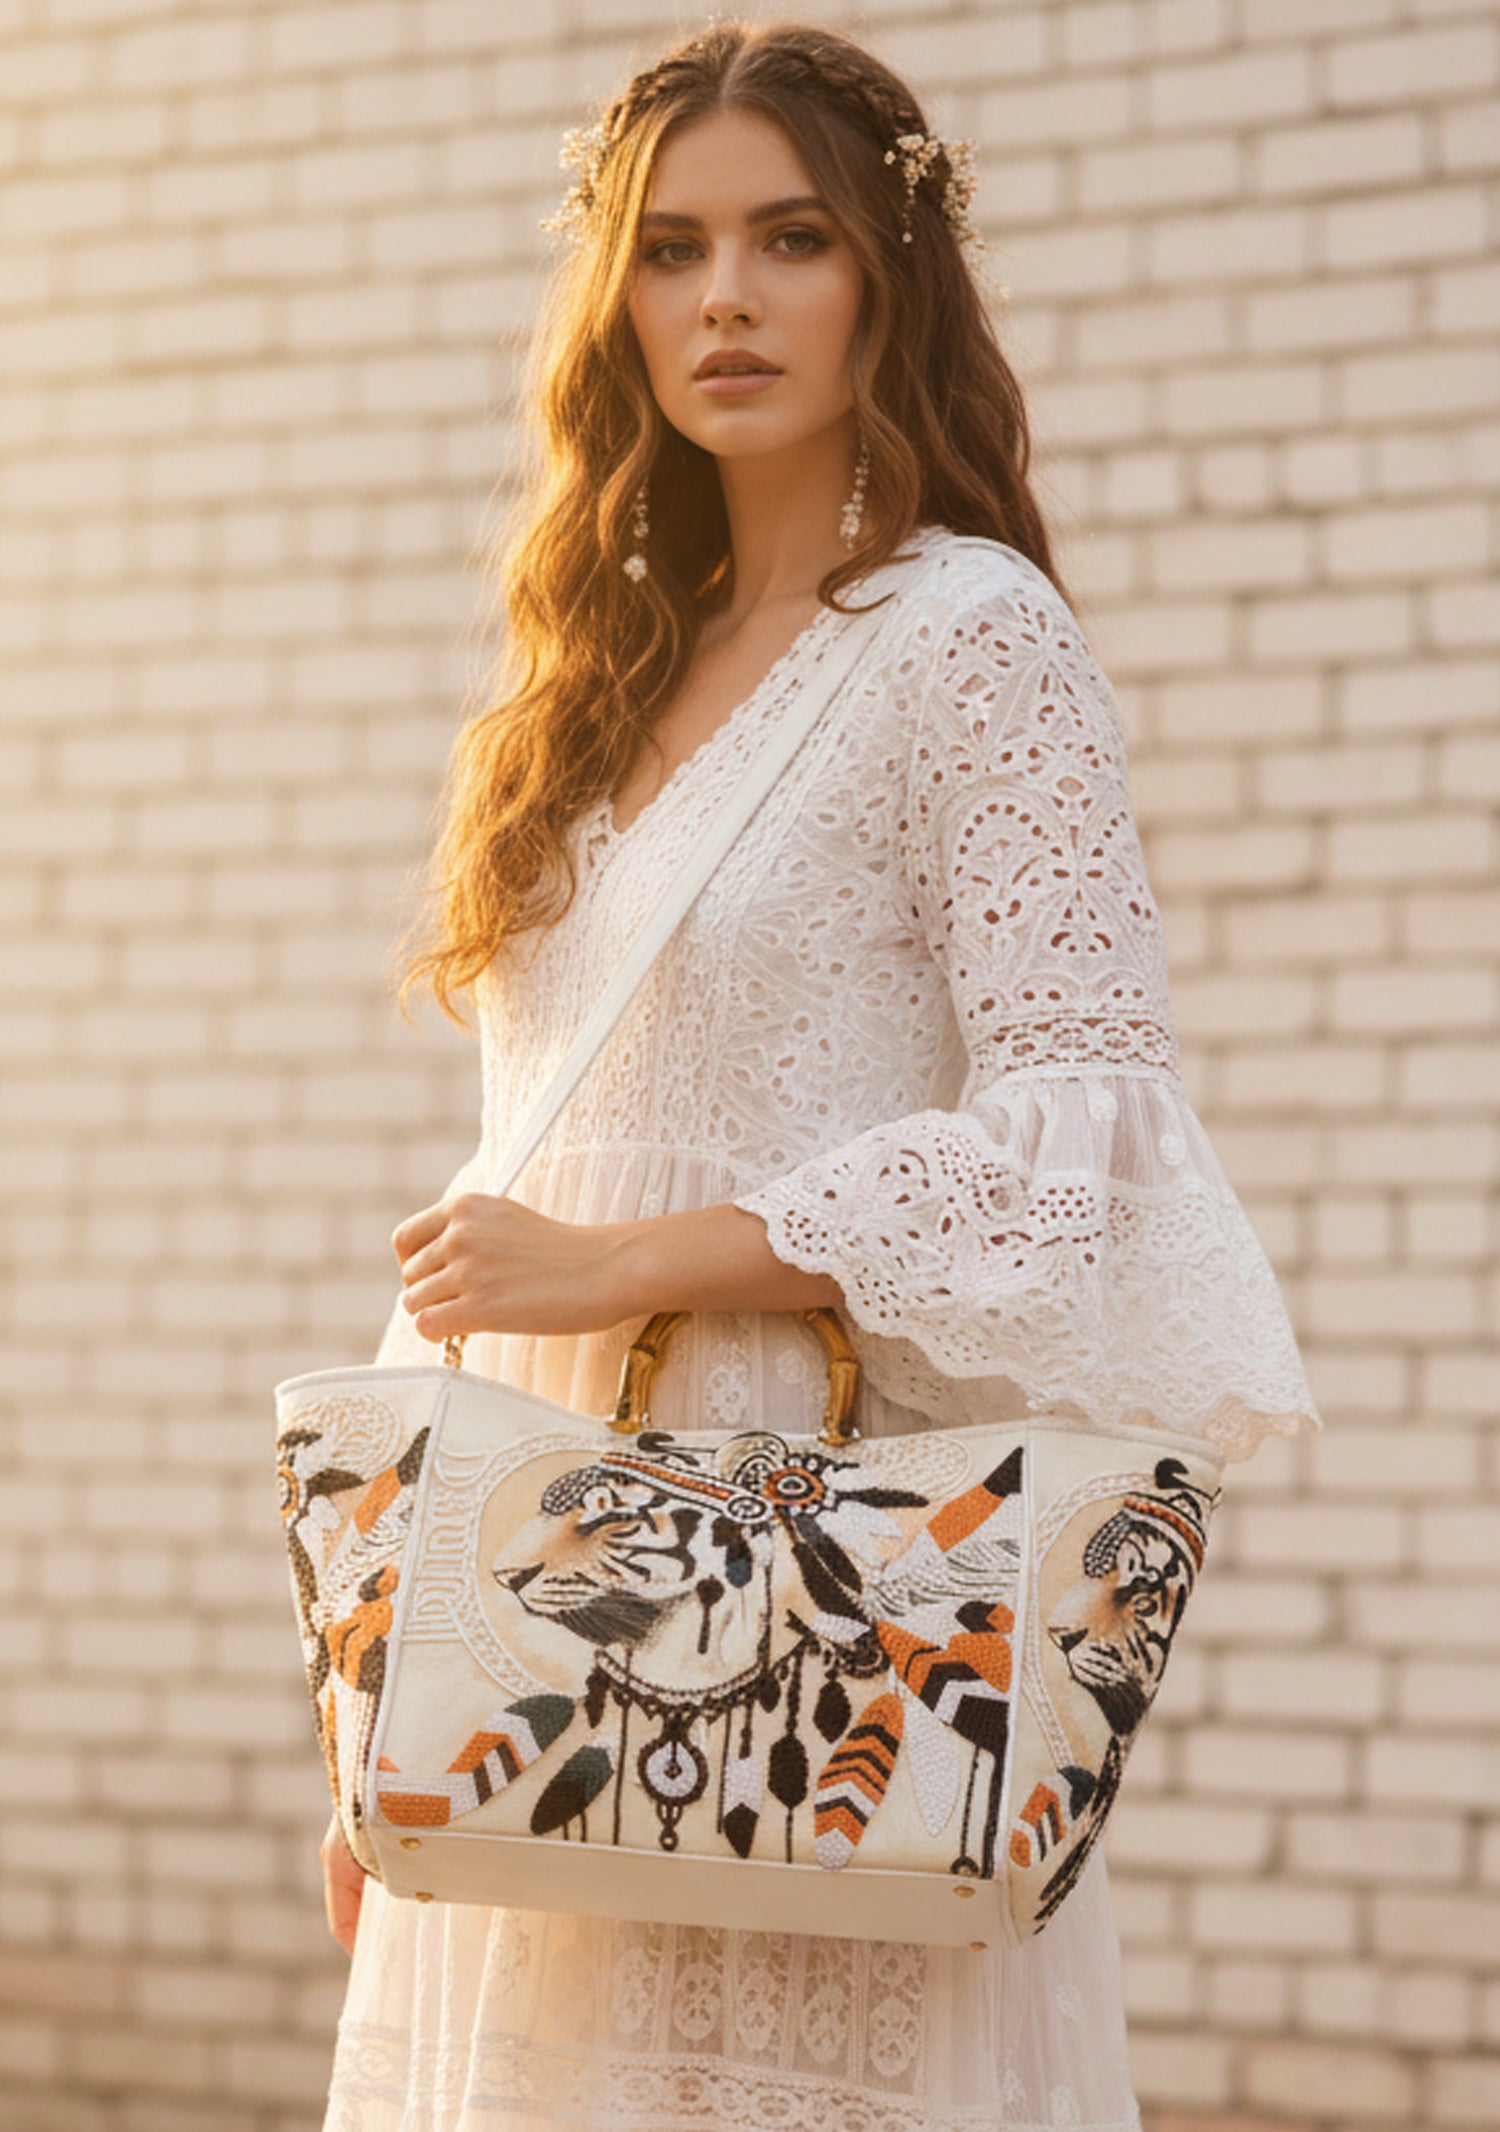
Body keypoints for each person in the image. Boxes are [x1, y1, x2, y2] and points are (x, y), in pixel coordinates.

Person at [316, 18, 1321, 2130]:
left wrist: (628, 1264)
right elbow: (518, 1181)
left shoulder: (970, 635)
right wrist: (378, 1674)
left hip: (822, 1586)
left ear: (888, 274)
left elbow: (1082, 1137)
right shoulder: (596, 673)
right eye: (672, 249)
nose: (728, 300)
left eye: (792, 239)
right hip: (533, 1578)